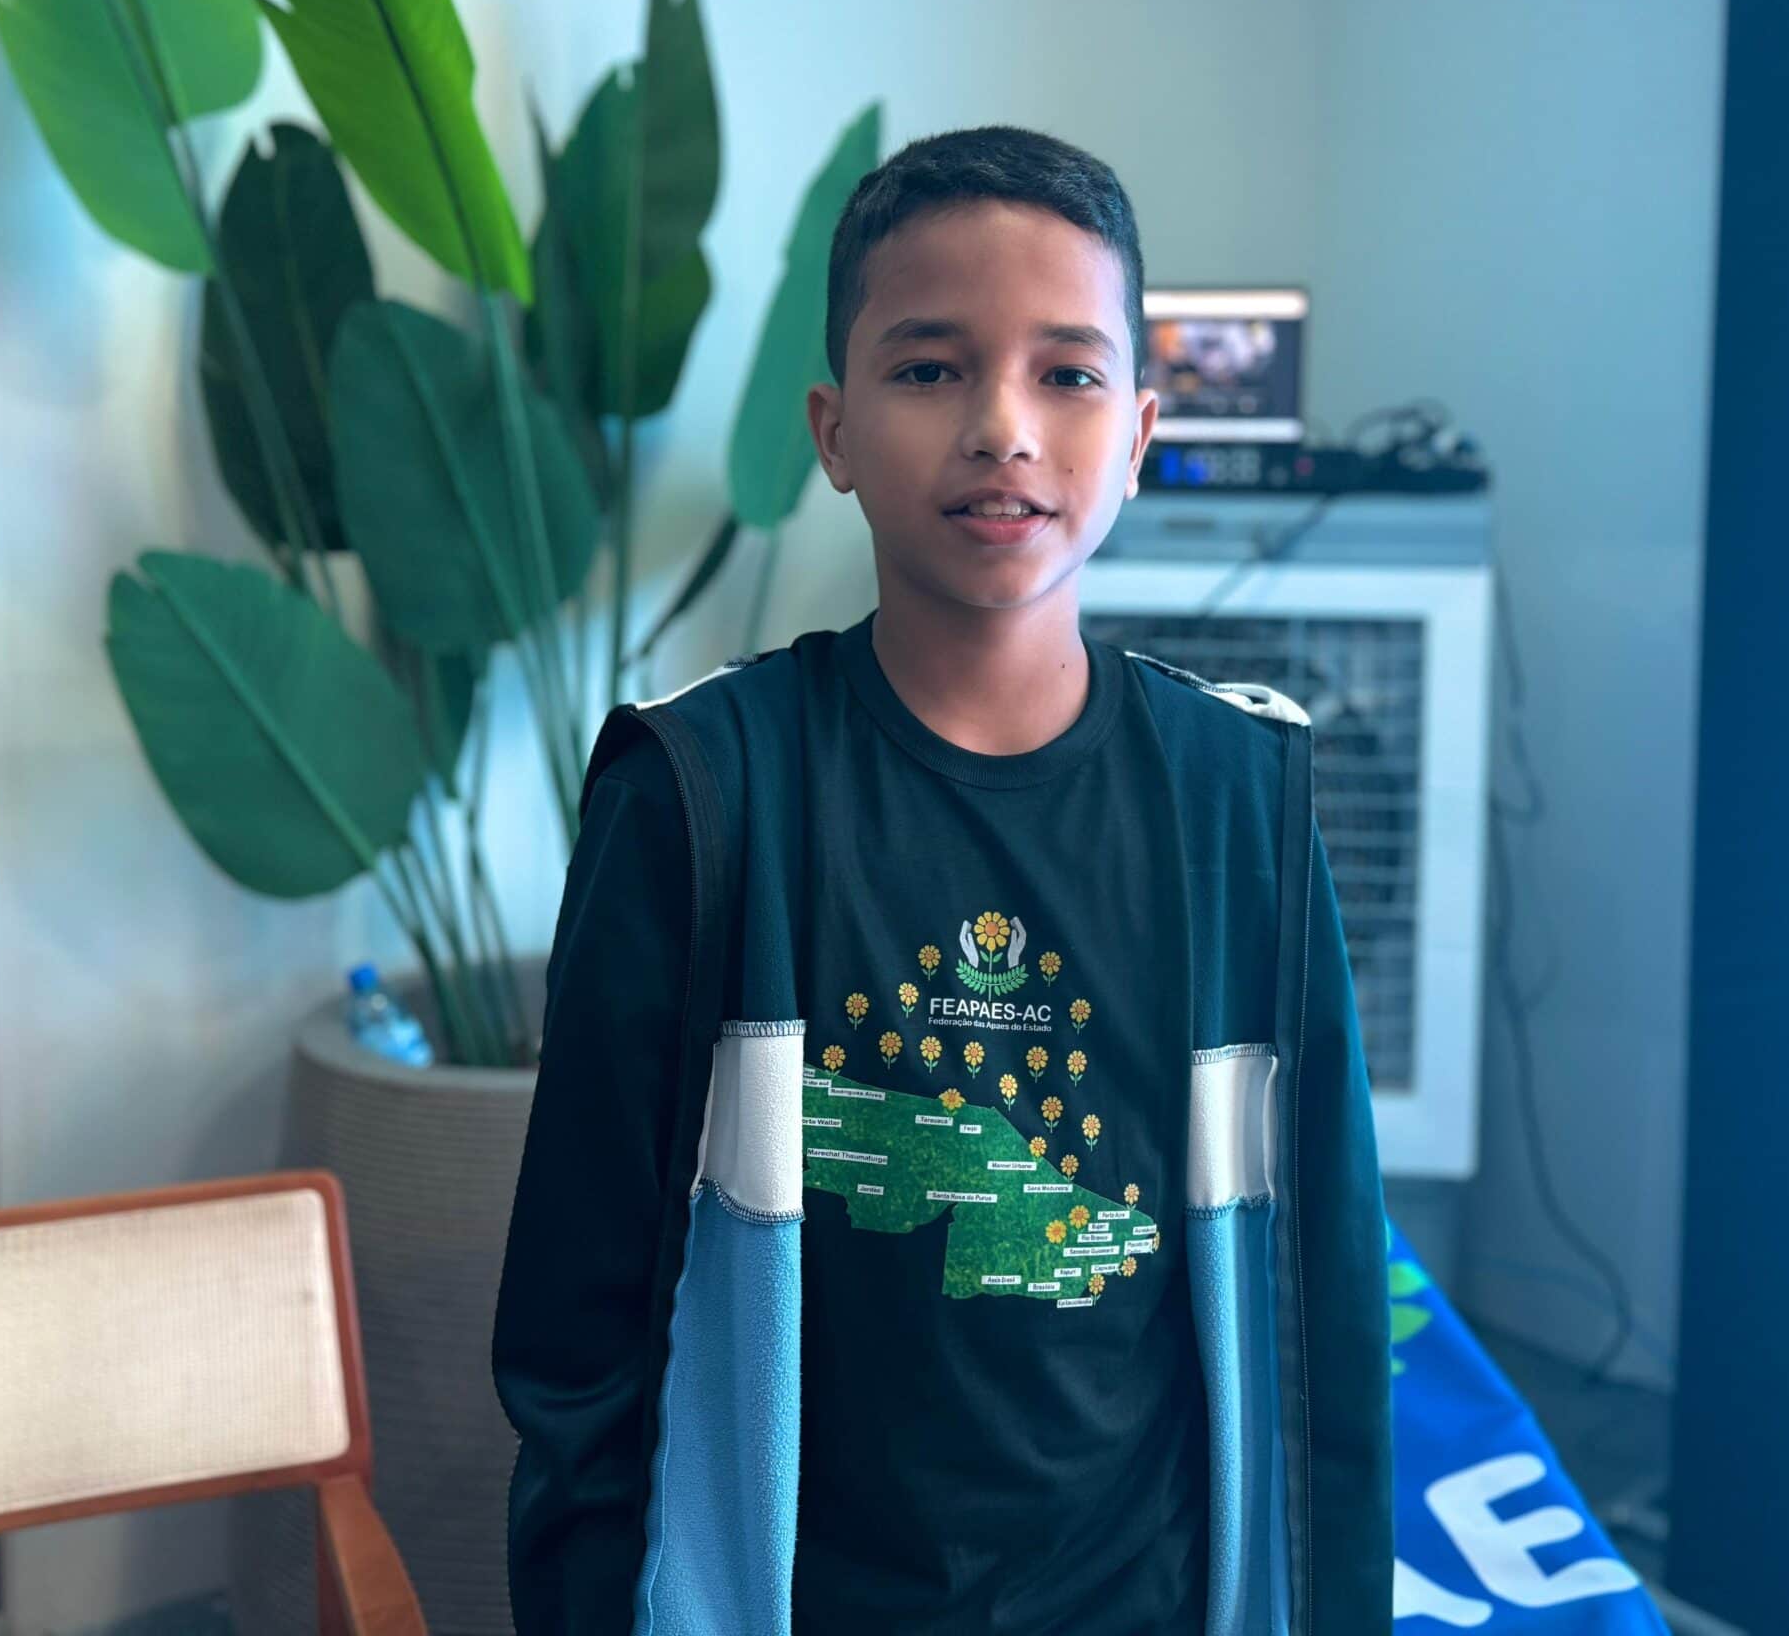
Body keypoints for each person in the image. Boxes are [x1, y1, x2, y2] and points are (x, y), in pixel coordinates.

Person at [491, 125, 1392, 1634]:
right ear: (833, 431)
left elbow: (1326, 1314)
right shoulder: (700, 793)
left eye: (1068, 373)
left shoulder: (1243, 798)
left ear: (1142, 434)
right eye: (928, 369)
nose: (1002, 428)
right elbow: (575, 1335)